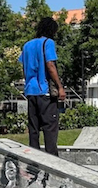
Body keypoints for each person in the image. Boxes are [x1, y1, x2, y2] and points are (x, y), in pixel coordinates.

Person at [20, 17, 65, 156]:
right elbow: (50, 65)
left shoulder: (27, 45)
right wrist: (60, 87)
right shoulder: (48, 43)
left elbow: (24, 66)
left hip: (30, 92)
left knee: (34, 129)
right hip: (44, 91)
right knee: (49, 127)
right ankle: (52, 161)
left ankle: (34, 160)